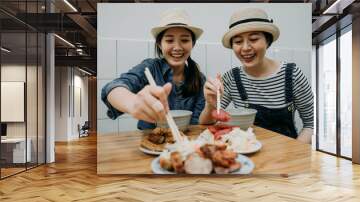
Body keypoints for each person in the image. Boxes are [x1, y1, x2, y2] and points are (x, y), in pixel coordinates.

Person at [199, 8, 314, 144]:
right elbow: (207, 124)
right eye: (238, 42)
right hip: (247, 154)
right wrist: (211, 104)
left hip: (286, 156)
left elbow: (310, 124)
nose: (245, 47)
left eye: (253, 39)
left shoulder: (292, 74)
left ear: (267, 40)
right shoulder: (231, 78)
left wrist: (294, 153)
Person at [101, 8, 206, 130]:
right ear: (159, 44)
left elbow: (196, 124)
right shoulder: (150, 68)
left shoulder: (199, 78)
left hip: (186, 144)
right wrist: (133, 102)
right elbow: (113, 87)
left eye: (184, 40)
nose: (177, 47)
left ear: (192, 44)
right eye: (169, 40)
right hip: (151, 142)